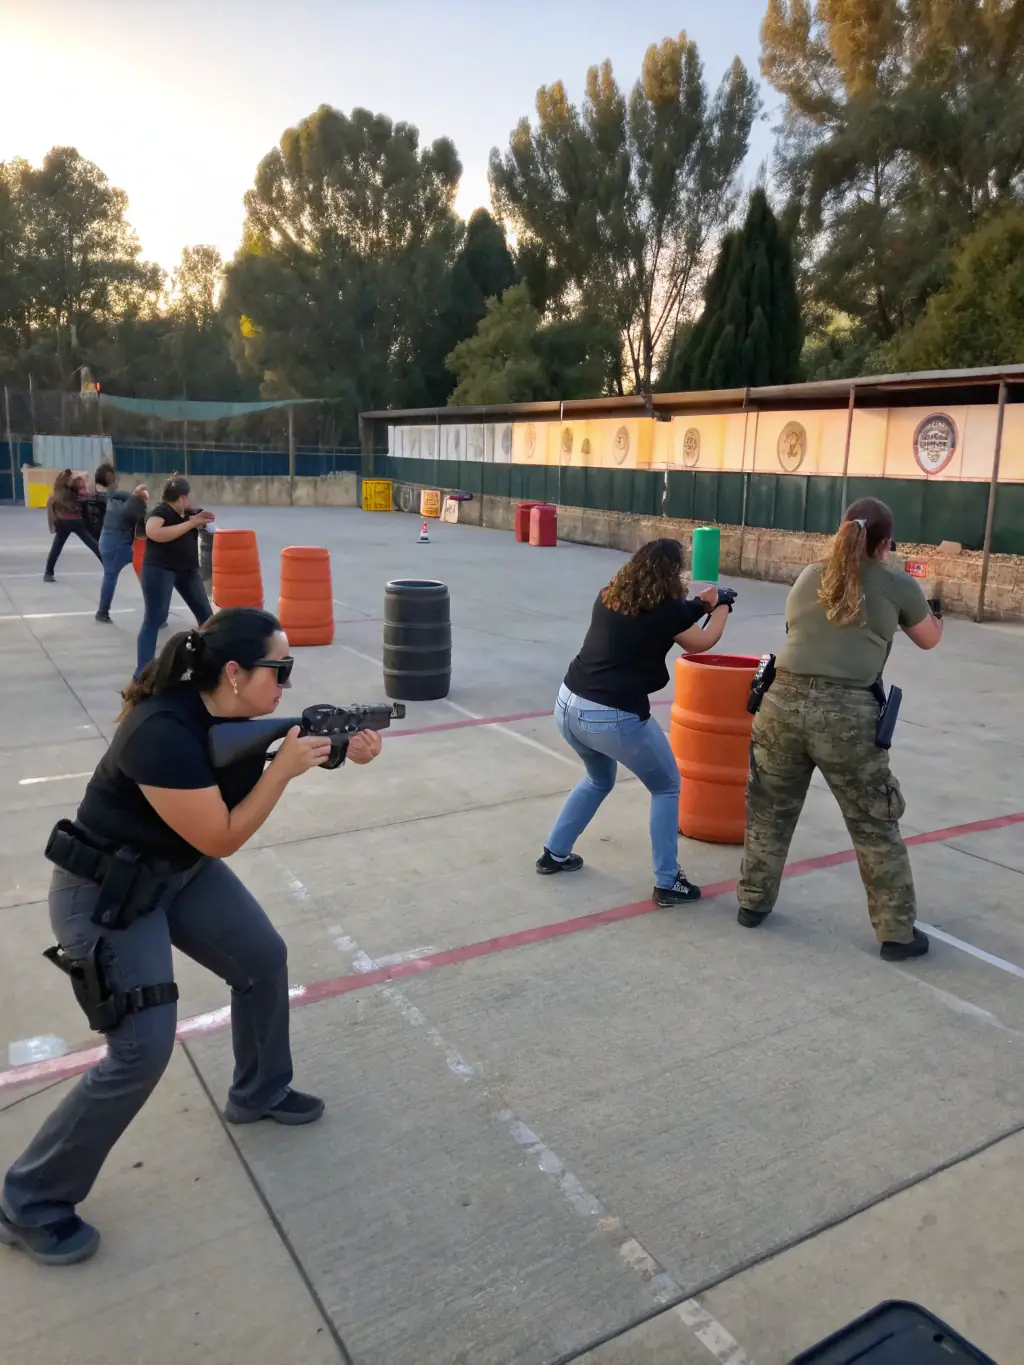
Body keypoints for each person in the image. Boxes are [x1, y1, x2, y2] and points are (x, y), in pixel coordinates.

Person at [0, 607, 383, 1266]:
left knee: (262, 958)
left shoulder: (236, 712)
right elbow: (222, 833)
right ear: (233, 672)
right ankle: (28, 1197)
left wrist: (344, 746)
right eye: (279, 670)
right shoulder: (162, 731)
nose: (287, 684)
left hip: (176, 871)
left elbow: (286, 741)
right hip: (108, 896)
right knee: (141, 1048)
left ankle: (258, 1089)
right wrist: (283, 771)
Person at [736, 497, 943, 959]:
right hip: (847, 714)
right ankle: (896, 933)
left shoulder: (812, 574)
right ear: (885, 543)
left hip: (781, 701)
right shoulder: (896, 583)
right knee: (874, 824)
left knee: (770, 809)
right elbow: (929, 639)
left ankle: (752, 902)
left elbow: (797, 627)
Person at [538, 538, 735, 906]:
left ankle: (554, 852)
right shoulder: (664, 613)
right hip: (610, 715)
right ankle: (667, 881)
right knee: (666, 787)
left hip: (567, 704)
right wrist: (722, 604)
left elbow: (678, 612)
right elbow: (701, 641)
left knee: (598, 779)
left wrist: (703, 602)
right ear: (671, 574)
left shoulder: (610, 594)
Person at [136, 474, 215, 678]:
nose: (191, 501)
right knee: (155, 618)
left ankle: (210, 662)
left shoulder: (186, 514)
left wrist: (200, 520)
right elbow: (153, 532)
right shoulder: (162, 511)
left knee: (207, 618)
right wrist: (190, 524)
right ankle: (142, 673)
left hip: (186, 570)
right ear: (181, 497)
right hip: (160, 569)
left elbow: (193, 522)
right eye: (189, 497)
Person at [93, 463, 150, 623]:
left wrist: (135, 496)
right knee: (146, 567)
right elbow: (129, 512)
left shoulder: (109, 496)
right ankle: (155, 611)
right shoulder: (114, 497)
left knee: (111, 576)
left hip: (107, 542)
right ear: (111, 477)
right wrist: (137, 497)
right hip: (117, 544)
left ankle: (103, 611)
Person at [43, 470, 102, 582]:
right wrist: (81, 478)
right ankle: (108, 565)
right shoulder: (74, 489)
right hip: (76, 520)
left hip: (63, 522)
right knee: (92, 543)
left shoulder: (58, 492)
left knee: (56, 547)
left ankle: (48, 572)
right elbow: (86, 494)